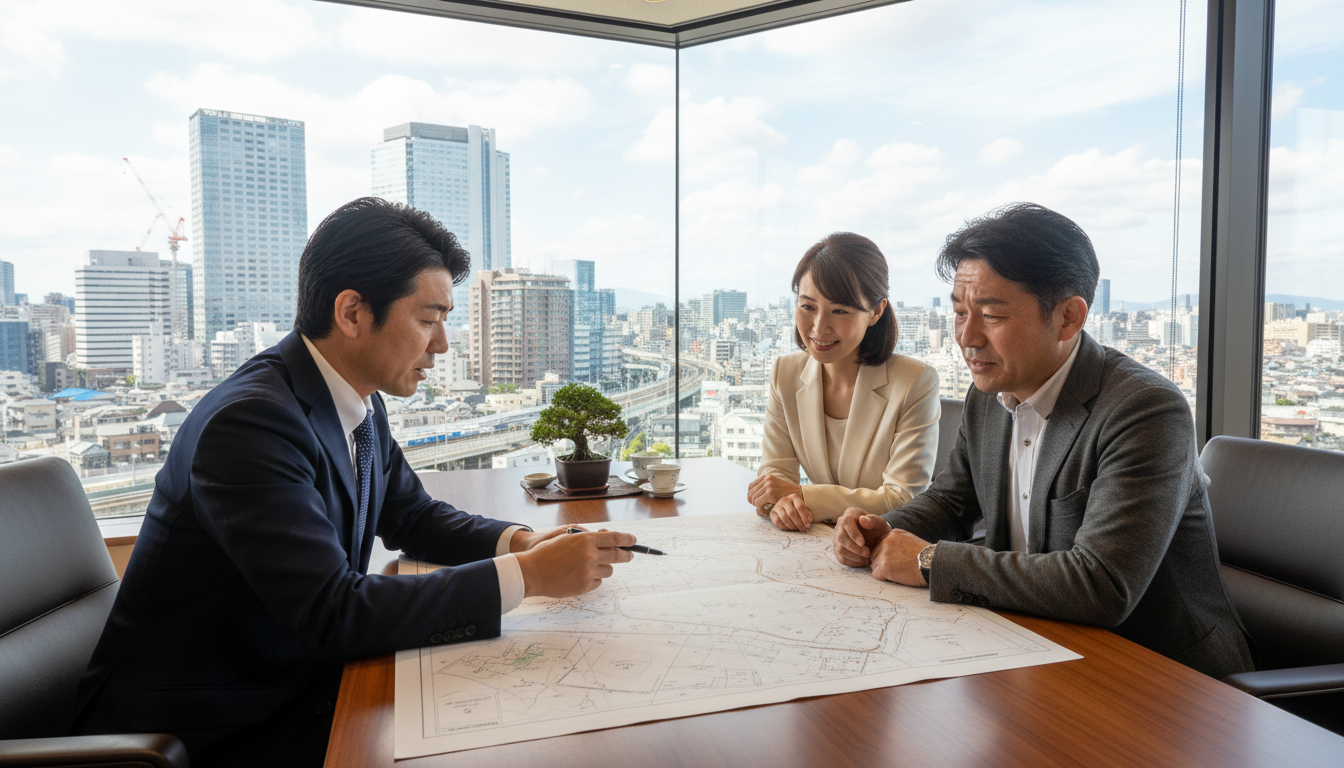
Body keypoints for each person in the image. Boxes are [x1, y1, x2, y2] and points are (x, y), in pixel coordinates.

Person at [72, 198, 636, 767]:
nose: (441, 345)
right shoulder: (249, 425)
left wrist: (523, 543)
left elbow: (412, 516)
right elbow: (332, 613)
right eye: (428, 319)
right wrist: (530, 578)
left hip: (292, 689)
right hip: (205, 734)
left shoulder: (354, 400)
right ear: (352, 313)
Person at [831, 203, 1253, 679]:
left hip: (1162, 678)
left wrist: (930, 561)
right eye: (958, 312)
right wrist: (880, 530)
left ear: (1069, 317)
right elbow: (951, 502)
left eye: (991, 315)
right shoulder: (988, 393)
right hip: (1035, 646)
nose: (967, 337)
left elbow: (1101, 584)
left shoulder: (1146, 410)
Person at [749, 232, 940, 531]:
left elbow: (903, 499)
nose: (818, 327)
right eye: (807, 306)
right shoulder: (785, 373)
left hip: (887, 548)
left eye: (839, 310)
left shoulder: (915, 382)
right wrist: (783, 503)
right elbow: (776, 474)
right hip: (818, 543)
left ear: (876, 311)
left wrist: (802, 495)